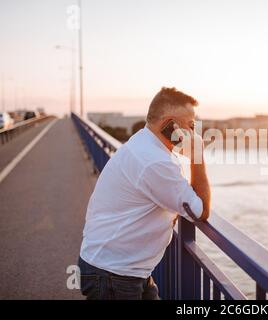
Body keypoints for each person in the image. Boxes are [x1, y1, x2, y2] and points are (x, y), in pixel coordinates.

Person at [77, 87, 211, 300]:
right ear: (170, 124)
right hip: (113, 274)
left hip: (125, 269)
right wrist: (197, 155)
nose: (194, 132)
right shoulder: (154, 160)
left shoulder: (145, 143)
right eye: (191, 124)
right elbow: (200, 211)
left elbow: (175, 196)